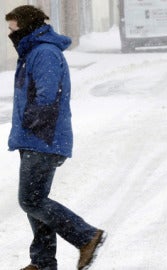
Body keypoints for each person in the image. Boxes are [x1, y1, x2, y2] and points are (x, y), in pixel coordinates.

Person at [5, 5, 106, 270]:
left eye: (13, 28)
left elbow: (47, 98)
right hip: (34, 138)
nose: (10, 33)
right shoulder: (33, 52)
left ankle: (86, 236)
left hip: (42, 138)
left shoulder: (45, 53)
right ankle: (42, 262)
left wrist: (30, 124)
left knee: (31, 200)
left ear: (27, 27)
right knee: (35, 201)